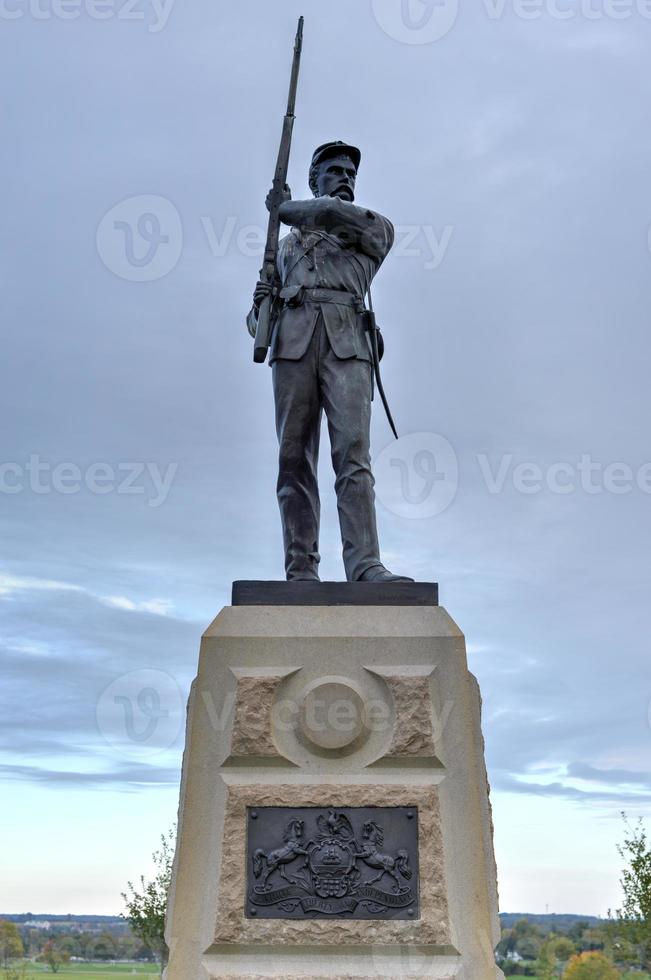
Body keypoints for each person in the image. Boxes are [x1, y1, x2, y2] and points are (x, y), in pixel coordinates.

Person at [247, 140, 413, 584]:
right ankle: (300, 569)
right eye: (335, 170)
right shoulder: (282, 249)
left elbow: (333, 215)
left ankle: (365, 565)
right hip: (292, 346)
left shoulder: (370, 229)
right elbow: (254, 325)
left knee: (353, 457)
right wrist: (261, 305)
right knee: (293, 459)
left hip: (347, 345)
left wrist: (285, 207)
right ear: (314, 179)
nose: (346, 177)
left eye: (350, 173)